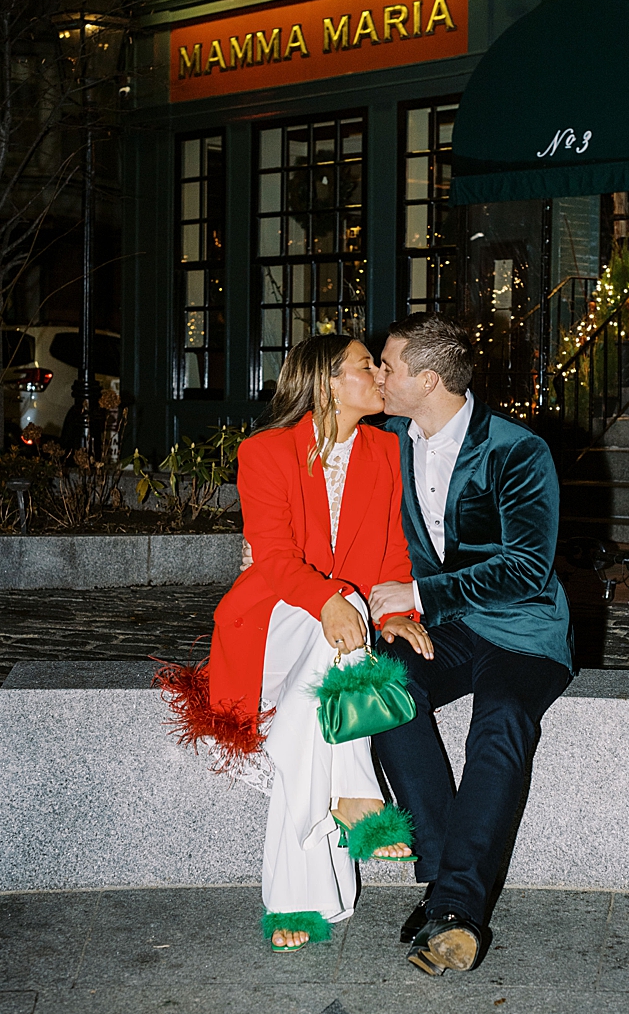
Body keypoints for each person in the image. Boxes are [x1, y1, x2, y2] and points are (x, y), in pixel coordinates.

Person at [158, 334, 435, 952]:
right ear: (329, 382)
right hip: (271, 623)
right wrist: (334, 601)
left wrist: (395, 614)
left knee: (307, 730)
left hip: (342, 635)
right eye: (368, 367)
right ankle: (358, 791)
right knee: (336, 626)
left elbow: (395, 552)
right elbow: (277, 559)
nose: (380, 377)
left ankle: (296, 901)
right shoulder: (266, 451)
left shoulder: (387, 452)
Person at [365, 313, 574, 977]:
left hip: (523, 626)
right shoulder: (389, 440)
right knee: (382, 683)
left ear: (426, 380)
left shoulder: (518, 451)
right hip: (449, 626)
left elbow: (526, 567)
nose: (378, 375)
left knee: (502, 720)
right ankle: (445, 880)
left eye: (387, 366)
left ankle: (455, 907)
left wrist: (418, 598)